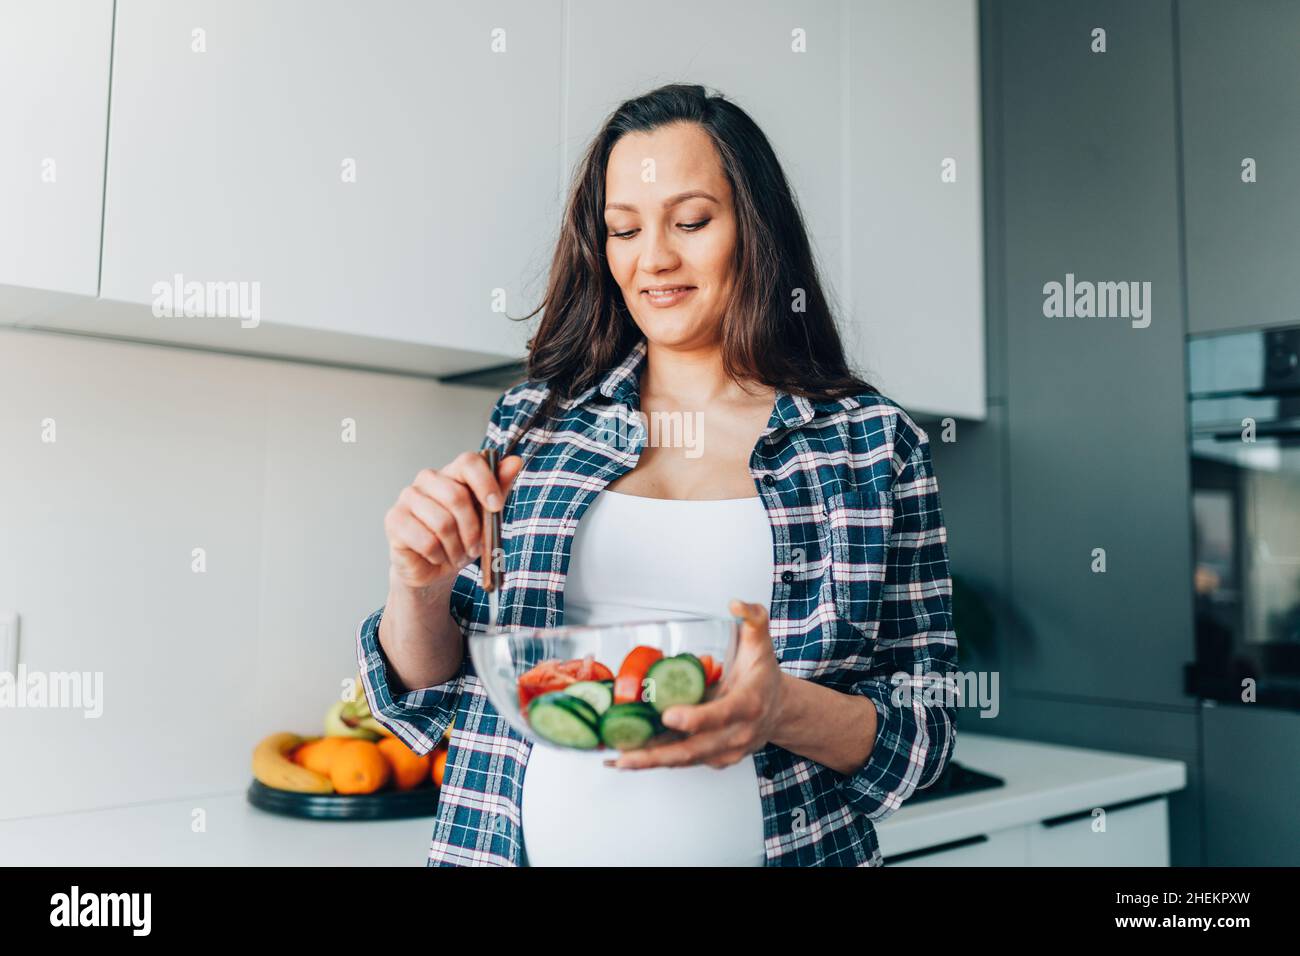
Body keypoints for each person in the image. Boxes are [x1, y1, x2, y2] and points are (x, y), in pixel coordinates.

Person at [358, 83, 957, 866]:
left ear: (756, 228)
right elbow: (430, 697)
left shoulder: (871, 447)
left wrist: (778, 708)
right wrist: (418, 584)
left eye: (692, 221)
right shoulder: (533, 424)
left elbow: (925, 730)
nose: (655, 260)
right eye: (624, 229)